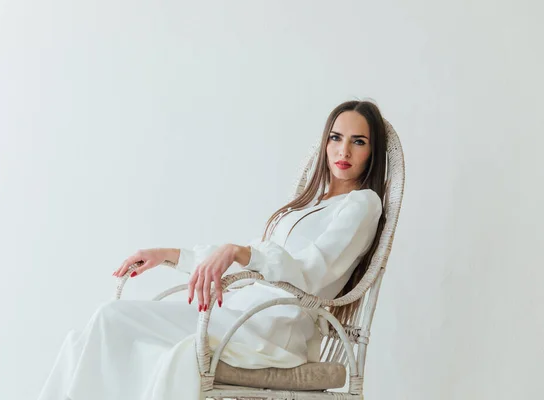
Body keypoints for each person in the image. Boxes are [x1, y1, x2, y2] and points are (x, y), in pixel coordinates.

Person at [36, 100, 388, 400]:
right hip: (236, 313)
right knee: (89, 338)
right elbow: (252, 259)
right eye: (336, 138)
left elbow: (311, 271)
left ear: (373, 152)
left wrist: (239, 252)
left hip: (269, 329)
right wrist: (170, 255)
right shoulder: (307, 206)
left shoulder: (363, 205)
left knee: (111, 318)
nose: (343, 151)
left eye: (358, 142)